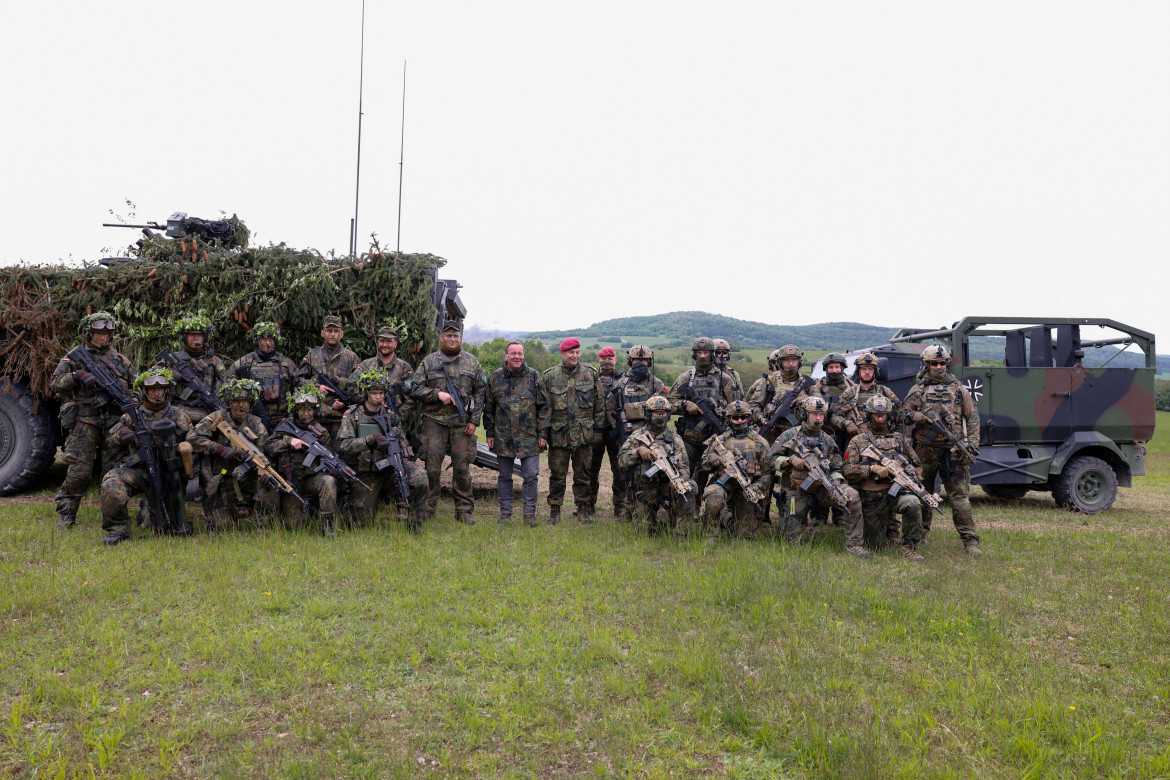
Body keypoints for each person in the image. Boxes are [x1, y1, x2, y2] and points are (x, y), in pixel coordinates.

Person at [51, 311, 138, 529]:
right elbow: (55, 384)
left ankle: (113, 513)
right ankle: (67, 512)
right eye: (98, 333)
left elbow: (137, 390)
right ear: (89, 333)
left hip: (113, 423)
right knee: (79, 470)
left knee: (113, 471)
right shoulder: (74, 358)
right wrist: (75, 376)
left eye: (107, 334)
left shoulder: (121, 361)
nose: (102, 337)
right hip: (85, 421)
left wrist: (129, 407)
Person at [902, 344, 983, 555]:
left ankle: (970, 541)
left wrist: (972, 444)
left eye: (942, 363)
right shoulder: (917, 391)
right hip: (924, 451)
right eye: (934, 364)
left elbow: (972, 418)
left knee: (960, 498)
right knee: (922, 495)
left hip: (953, 451)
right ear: (926, 364)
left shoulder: (959, 389)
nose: (939, 367)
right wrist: (915, 416)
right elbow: (901, 414)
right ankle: (920, 536)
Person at [98, 368, 193, 545]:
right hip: (140, 470)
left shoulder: (178, 415)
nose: (156, 394)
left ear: (166, 391)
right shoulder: (132, 415)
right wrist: (122, 434)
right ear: (145, 391)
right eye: (152, 390)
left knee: (165, 525)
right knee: (111, 484)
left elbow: (192, 442)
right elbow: (110, 441)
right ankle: (118, 529)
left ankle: (146, 509)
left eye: (160, 389)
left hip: (168, 475)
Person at [405, 321, 486, 524]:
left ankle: (464, 510)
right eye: (448, 336)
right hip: (434, 422)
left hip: (461, 424)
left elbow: (481, 391)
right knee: (432, 468)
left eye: (455, 336)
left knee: (462, 468)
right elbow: (414, 388)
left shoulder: (472, 362)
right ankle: (428, 508)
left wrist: (474, 420)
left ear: (460, 338)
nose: (452, 339)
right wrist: (436, 394)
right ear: (441, 338)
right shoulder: (429, 362)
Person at [769, 396, 867, 556]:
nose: (819, 418)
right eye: (815, 414)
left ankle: (854, 545)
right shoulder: (789, 435)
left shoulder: (828, 440)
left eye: (822, 414)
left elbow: (837, 466)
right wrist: (789, 460)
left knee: (852, 496)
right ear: (805, 413)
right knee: (791, 541)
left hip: (823, 489)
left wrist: (835, 482)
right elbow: (770, 460)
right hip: (796, 492)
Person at [338, 368, 428, 531]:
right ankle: (368, 502)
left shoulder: (391, 416)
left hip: (390, 469)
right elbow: (344, 445)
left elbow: (403, 443)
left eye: (381, 392)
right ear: (366, 393)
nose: (378, 396)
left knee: (420, 476)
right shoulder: (352, 415)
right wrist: (369, 440)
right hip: (366, 473)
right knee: (357, 524)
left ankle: (416, 521)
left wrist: (400, 463)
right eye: (374, 393)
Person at [842, 395, 925, 561]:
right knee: (875, 546)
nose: (880, 418)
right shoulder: (858, 441)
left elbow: (917, 465)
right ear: (869, 415)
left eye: (883, 414)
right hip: (871, 499)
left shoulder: (900, 440)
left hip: (896, 495)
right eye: (875, 414)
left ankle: (910, 547)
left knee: (913, 503)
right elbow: (848, 470)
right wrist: (871, 469)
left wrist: (910, 475)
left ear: (888, 415)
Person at [186, 378, 272, 531]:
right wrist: (218, 448)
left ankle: (254, 515)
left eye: (245, 401)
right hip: (222, 478)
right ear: (229, 402)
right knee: (221, 528)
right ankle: (222, 510)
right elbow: (192, 438)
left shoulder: (256, 424)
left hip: (246, 480)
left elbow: (264, 452)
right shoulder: (217, 418)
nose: (241, 405)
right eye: (237, 401)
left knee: (267, 483)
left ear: (250, 403)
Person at [539, 338, 605, 523]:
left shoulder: (591, 374)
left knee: (583, 475)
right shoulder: (550, 376)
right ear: (562, 354)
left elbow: (599, 405)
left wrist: (597, 432)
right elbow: (544, 408)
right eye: (571, 352)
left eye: (577, 352)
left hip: (584, 435)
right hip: (559, 435)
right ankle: (555, 509)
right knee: (557, 475)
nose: (575, 355)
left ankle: (583, 509)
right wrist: (543, 433)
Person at [667, 336, 742, 493]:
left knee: (712, 474)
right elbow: (668, 403)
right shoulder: (686, 377)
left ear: (712, 354)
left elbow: (737, 407)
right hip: (690, 436)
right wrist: (685, 404)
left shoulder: (724, 379)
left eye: (706, 352)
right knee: (683, 471)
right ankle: (685, 507)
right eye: (699, 352)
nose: (702, 356)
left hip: (716, 438)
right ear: (694, 354)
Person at [483, 341, 546, 525]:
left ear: (523, 355)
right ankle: (505, 513)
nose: (517, 356)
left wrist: (542, 434)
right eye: (513, 353)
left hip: (529, 437)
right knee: (504, 476)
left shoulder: (533, 376)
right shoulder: (495, 377)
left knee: (531, 476)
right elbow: (489, 408)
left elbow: (543, 407)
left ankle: (529, 514)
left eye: (520, 353)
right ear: (506, 356)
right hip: (503, 436)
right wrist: (489, 433)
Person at [267, 383, 340, 537]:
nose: (305, 413)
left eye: (309, 409)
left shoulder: (321, 433)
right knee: (292, 527)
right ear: (296, 410)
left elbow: (328, 457)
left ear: (315, 411)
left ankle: (327, 523)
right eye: (301, 409)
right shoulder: (285, 427)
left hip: (310, 479)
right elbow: (268, 447)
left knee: (328, 481)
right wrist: (288, 441)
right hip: (289, 481)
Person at [617, 395, 696, 536]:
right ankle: (659, 516)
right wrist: (638, 451)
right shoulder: (637, 436)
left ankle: (682, 535)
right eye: (656, 413)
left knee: (688, 489)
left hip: (667, 487)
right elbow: (621, 460)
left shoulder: (675, 439)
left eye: (663, 413)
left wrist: (679, 480)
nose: (660, 416)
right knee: (644, 533)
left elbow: (684, 467)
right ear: (648, 414)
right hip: (645, 490)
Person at [606, 344, 666, 519]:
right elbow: (610, 407)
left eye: (644, 360)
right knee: (624, 472)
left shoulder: (656, 383)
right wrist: (616, 427)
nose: (640, 363)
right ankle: (624, 507)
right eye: (637, 360)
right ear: (630, 361)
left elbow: (663, 409)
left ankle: (650, 508)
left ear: (649, 361)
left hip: (650, 437)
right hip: (626, 436)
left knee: (649, 472)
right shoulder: (621, 383)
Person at [699, 400, 773, 538]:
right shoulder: (720, 440)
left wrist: (756, 487)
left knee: (744, 534)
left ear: (749, 418)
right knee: (713, 498)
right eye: (735, 417)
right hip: (724, 484)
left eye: (743, 417)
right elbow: (704, 462)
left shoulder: (759, 442)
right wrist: (716, 460)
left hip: (748, 487)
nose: (740, 421)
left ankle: (725, 516)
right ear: (729, 419)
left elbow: (769, 473)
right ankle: (710, 535)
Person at [296, 315, 360, 439]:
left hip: (340, 420)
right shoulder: (312, 355)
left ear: (341, 334)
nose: (332, 334)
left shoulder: (351, 357)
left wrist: (344, 402)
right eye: (329, 330)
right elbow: (297, 380)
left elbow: (359, 388)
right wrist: (315, 387)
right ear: (322, 333)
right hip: (315, 418)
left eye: (336, 331)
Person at [228, 321, 298, 427]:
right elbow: (227, 389)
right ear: (257, 340)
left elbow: (299, 386)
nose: (268, 343)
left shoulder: (286, 364)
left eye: (271, 339)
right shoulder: (243, 364)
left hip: (282, 421)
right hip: (251, 422)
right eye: (264, 339)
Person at [747, 343, 817, 444]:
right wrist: (761, 419)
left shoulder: (806, 382)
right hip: (774, 432)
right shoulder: (770, 380)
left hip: (800, 433)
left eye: (794, 360)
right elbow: (753, 405)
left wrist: (804, 400)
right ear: (780, 362)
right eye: (786, 360)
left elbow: (821, 406)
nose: (791, 363)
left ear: (799, 361)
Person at [587, 346, 625, 517]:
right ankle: (588, 504)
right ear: (598, 360)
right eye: (603, 359)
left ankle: (620, 506)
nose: (607, 361)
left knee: (618, 470)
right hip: (595, 431)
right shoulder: (590, 378)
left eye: (610, 358)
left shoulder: (624, 379)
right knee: (590, 470)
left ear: (615, 360)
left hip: (615, 431)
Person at [832, 351, 901, 439]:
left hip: (882, 440)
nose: (867, 372)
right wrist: (847, 423)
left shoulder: (885, 392)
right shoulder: (849, 393)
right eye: (863, 369)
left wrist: (899, 438)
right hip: (856, 440)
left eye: (870, 369)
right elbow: (835, 416)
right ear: (858, 371)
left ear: (875, 371)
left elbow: (899, 416)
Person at [349, 323, 415, 414]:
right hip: (368, 418)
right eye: (382, 341)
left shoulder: (405, 368)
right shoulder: (366, 365)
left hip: (394, 422)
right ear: (377, 342)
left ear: (395, 344)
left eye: (389, 341)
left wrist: (397, 417)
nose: (385, 345)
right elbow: (351, 386)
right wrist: (368, 400)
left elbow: (411, 398)